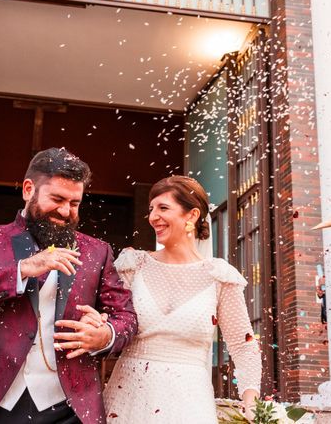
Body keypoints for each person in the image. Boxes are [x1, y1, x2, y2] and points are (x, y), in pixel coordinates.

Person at [0, 147, 137, 424]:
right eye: (57, 199)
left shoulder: (97, 252)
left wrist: (105, 335)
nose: (66, 211)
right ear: (29, 189)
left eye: (74, 203)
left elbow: (126, 316)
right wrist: (23, 269)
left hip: (69, 406)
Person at [101, 175, 262, 422]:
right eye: (151, 209)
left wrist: (251, 403)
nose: (153, 216)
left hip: (189, 401)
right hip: (128, 397)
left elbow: (244, 345)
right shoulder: (134, 265)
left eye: (163, 208)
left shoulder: (219, 276)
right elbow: (111, 322)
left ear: (192, 215)